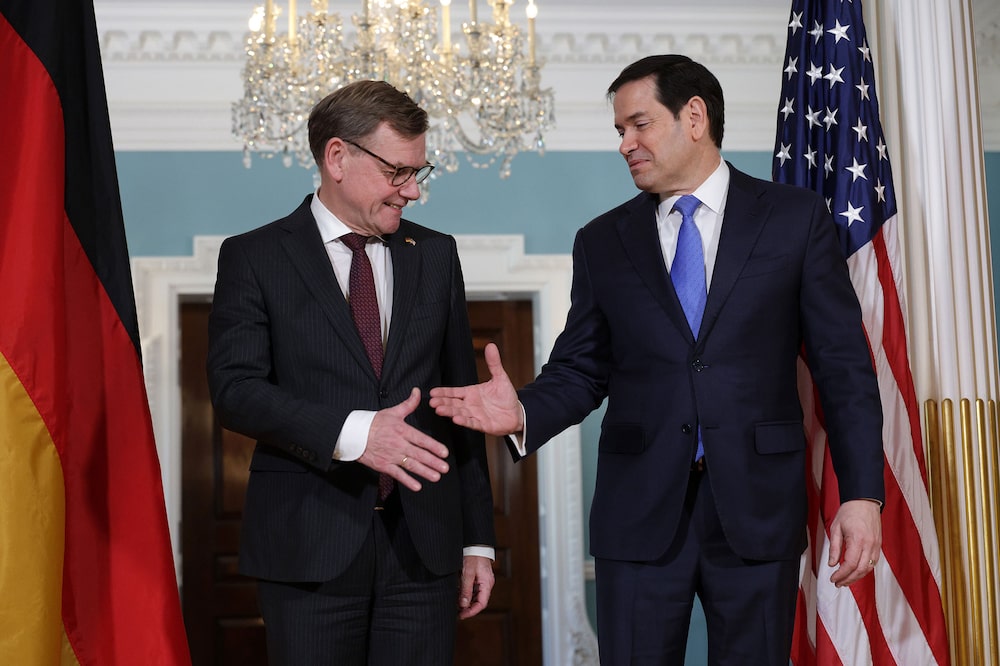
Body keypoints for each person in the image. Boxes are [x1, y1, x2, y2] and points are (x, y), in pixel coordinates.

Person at [430, 54, 884, 665]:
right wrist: (524, 413)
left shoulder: (794, 220)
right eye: (620, 130)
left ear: (694, 117)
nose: (625, 144)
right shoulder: (602, 241)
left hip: (758, 510)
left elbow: (843, 367)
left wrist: (861, 494)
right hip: (637, 516)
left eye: (639, 125)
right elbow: (581, 368)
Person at [207, 79, 496, 665]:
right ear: (337, 157)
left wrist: (477, 541)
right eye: (398, 172)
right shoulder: (254, 256)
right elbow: (236, 391)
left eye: (419, 171)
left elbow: (459, 404)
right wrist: (356, 433)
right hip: (306, 547)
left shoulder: (436, 254)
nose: (413, 191)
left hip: (425, 552)